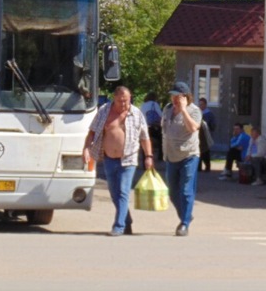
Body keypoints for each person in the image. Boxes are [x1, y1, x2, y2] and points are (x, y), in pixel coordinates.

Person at [82, 86, 153, 236]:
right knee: (115, 194)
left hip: (128, 159)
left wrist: (149, 156)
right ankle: (127, 221)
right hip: (109, 159)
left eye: (126, 100)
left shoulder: (136, 113)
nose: (123, 104)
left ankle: (118, 226)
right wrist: (86, 148)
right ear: (114, 98)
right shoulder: (104, 111)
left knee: (123, 192)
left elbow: (145, 137)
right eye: (120, 101)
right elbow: (92, 131)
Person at [161, 81, 201, 236]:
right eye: (173, 96)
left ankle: (184, 224)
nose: (175, 99)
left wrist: (184, 111)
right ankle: (186, 214)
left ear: (186, 97)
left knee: (185, 191)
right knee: (172, 192)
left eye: (178, 96)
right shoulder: (167, 109)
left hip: (189, 155)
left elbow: (192, 128)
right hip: (171, 156)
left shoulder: (194, 111)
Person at [140, 91, 162, 160]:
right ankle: (160, 157)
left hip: (144, 126)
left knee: (145, 141)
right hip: (153, 126)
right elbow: (160, 114)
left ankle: (144, 159)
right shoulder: (154, 104)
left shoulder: (143, 105)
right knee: (161, 139)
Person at [197, 97, 216, 172]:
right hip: (199, 135)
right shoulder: (198, 112)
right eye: (199, 104)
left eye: (202, 104)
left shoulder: (209, 114)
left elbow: (213, 125)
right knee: (198, 151)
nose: (200, 106)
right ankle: (199, 167)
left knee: (205, 152)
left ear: (205, 105)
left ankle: (207, 166)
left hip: (206, 135)